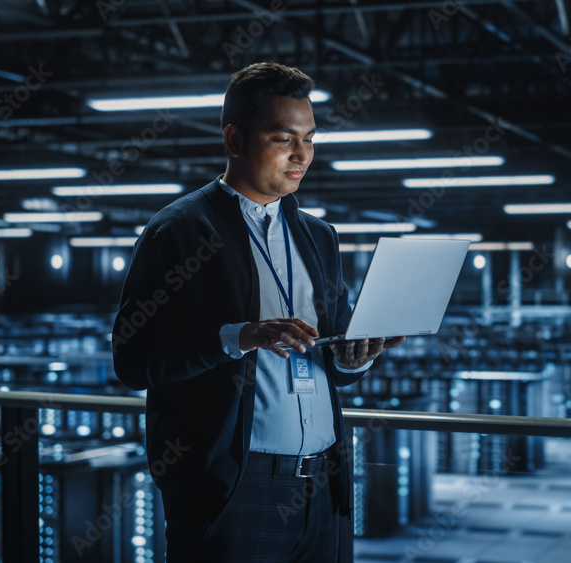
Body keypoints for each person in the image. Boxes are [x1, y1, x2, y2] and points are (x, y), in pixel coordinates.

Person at [111, 61, 404, 562]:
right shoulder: (178, 232)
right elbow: (135, 361)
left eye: (310, 139)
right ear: (234, 140)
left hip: (324, 487)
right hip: (232, 490)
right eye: (283, 138)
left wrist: (355, 357)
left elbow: (331, 353)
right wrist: (240, 336)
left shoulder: (318, 237)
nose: (301, 156)